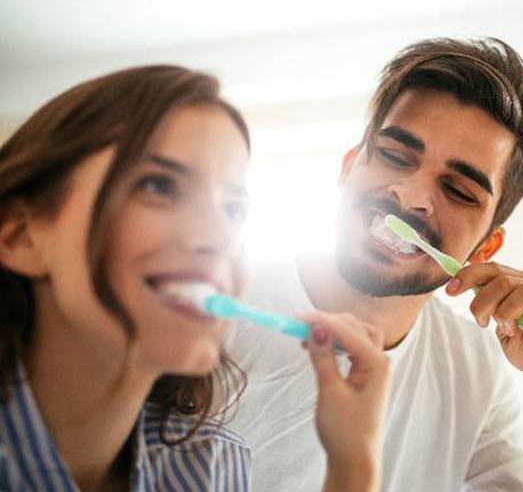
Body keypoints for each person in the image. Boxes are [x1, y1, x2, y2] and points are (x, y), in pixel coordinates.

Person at [229, 38, 523, 491]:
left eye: (459, 191)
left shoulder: (473, 371)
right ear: (349, 168)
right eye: (395, 156)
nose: (411, 196)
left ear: (485, 248)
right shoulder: (219, 306)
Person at [0, 66, 390, 492]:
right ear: (20, 236)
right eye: (160, 185)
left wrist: (354, 464)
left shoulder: (211, 465)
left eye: (233, 209)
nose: (220, 235)